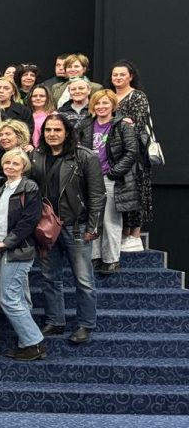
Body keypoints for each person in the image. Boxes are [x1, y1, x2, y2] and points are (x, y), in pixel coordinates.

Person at [33, 112, 105, 344]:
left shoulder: (85, 156)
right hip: (46, 227)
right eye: (48, 130)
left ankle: (85, 324)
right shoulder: (36, 155)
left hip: (77, 225)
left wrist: (93, 226)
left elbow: (97, 194)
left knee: (83, 280)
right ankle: (55, 321)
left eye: (57, 130)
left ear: (67, 133)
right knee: (49, 277)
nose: (52, 134)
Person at [0, 148, 46, 361]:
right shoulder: (1, 188)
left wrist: (7, 243)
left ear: (24, 167)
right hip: (3, 247)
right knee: (19, 299)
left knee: (8, 298)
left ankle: (34, 343)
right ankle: (27, 343)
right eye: (7, 162)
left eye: (16, 163)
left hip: (19, 250)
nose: (10, 166)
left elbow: (29, 221)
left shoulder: (29, 187)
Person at [78, 89, 139, 275]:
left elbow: (131, 152)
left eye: (105, 103)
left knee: (110, 220)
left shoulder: (122, 126)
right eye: (97, 103)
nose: (101, 106)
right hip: (90, 179)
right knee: (94, 219)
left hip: (111, 179)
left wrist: (114, 172)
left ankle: (111, 259)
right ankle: (95, 257)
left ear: (113, 105)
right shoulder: (85, 125)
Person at [110, 60, 153, 253]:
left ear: (131, 77)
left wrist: (118, 124)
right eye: (115, 75)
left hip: (135, 154)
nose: (118, 77)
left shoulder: (138, 96)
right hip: (113, 153)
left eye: (122, 74)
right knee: (121, 194)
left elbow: (139, 123)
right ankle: (122, 234)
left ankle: (135, 235)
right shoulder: (108, 96)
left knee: (136, 192)